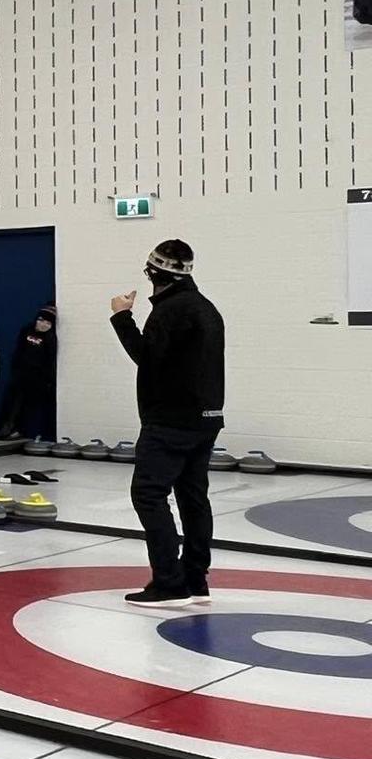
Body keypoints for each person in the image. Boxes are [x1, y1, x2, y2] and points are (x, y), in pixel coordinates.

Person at [111, 241, 226, 607]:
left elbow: (147, 357)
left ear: (153, 273)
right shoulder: (207, 309)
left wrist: (121, 317)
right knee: (194, 498)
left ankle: (168, 580)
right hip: (206, 417)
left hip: (170, 420)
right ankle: (196, 578)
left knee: (148, 494)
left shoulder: (170, 311)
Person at [0, 306, 59, 439]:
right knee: (13, 403)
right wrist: (15, 368)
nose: (43, 325)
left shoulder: (50, 339)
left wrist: (48, 379)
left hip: (37, 378)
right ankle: (7, 427)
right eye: (41, 320)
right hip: (20, 374)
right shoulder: (26, 330)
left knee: (29, 406)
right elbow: (19, 350)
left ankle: (21, 430)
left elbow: (50, 360)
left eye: (47, 323)